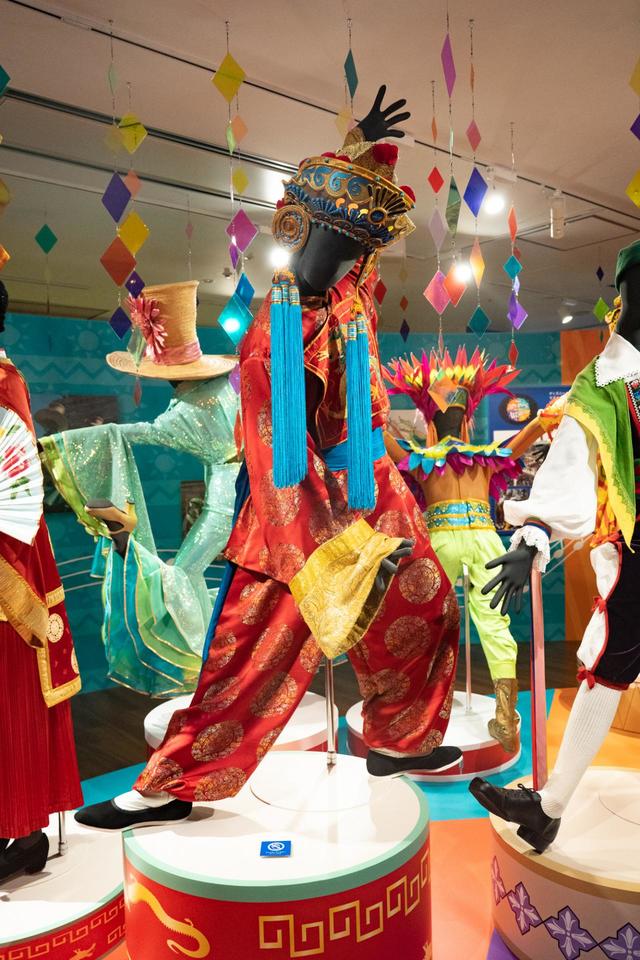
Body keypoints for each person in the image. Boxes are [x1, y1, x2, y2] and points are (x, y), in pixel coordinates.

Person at [74, 85, 462, 832]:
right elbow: (278, 451)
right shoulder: (276, 333)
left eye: (354, 247)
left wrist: (359, 149)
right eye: (334, 242)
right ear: (298, 230)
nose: (346, 256)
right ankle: (167, 786)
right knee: (250, 658)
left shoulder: (350, 300)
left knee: (431, 604)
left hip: (371, 487)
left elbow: (354, 238)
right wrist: (336, 552)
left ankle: (395, 739)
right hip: (298, 508)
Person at [470, 238, 640, 853]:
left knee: (610, 665)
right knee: (607, 666)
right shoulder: (605, 383)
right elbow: (573, 458)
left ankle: (547, 808)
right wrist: (536, 531)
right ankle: (549, 807)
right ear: (625, 295)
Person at [40, 281, 239, 696]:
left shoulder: (192, 407)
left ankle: (197, 662)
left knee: (181, 574)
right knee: (192, 575)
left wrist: (64, 443)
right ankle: (212, 660)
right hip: (233, 496)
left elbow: (145, 432)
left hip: (225, 506)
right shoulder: (219, 389)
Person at [383, 348, 559, 753]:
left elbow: (386, 444)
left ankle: (420, 712)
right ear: (466, 419)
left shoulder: (422, 459)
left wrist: (370, 417)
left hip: (441, 537)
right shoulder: (485, 459)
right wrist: (544, 418)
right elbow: (522, 440)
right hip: (482, 537)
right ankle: (505, 716)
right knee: (493, 622)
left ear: (431, 421)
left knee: (429, 621)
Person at [0, 280, 83, 880]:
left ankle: (23, 829)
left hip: (8, 550)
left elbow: (15, 486)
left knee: (12, 688)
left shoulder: (5, 383)